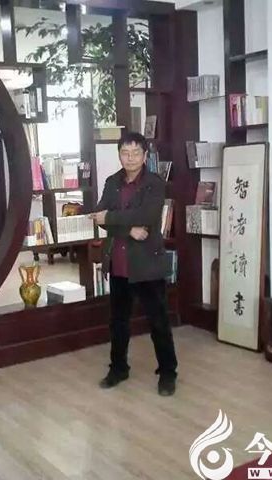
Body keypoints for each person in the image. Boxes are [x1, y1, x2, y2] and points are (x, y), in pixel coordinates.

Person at [89, 132, 178, 396]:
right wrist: (128, 229)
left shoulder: (154, 183)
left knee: (158, 321)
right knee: (118, 322)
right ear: (119, 155)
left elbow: (147, 215)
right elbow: (99, 217)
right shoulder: (112, 182)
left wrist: (111, 217)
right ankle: (118, 368)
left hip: (146, 263)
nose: (130, 158)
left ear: (145, 155)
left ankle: (168, 373)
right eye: (125, 153)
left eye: (136, 153)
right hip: (118, 262)